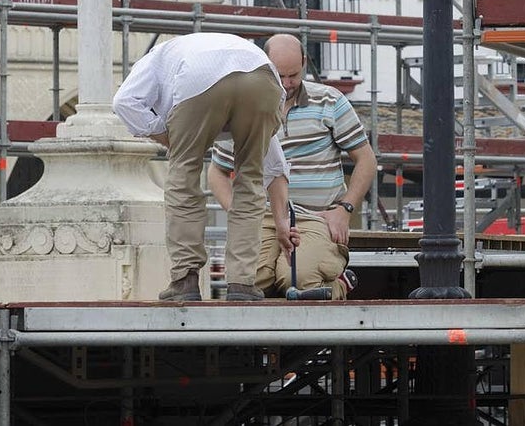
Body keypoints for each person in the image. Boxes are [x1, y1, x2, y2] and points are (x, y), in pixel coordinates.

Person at [112, 32, 295, 301]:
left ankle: (185, 281)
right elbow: (273, 164)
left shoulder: (156, 58)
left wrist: (165, 135)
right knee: (251, 179)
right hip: (262, 77)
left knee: (183, 178)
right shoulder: (217, 48)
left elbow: (123, 102)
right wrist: (281, 221)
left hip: (198, 78)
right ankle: (242, 285)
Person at [208, 33, 377, 299]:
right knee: (249, 281)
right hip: (262, 216)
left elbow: (366, 159)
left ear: (305, 64)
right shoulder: (246, 108)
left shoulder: (329, 101)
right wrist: (237, 211)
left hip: (315, 216)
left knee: (297, 277)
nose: (287, 84)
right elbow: (217, 170)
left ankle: (337, 285)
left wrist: (344, 209)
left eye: (293, 75)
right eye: (280, 76)